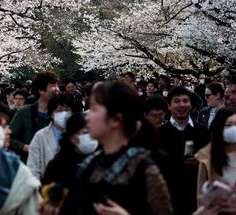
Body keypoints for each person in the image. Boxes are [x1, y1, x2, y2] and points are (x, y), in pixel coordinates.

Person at [64, 81, 171, 215]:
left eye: (95, 109)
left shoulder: (144, 168)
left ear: (115, 120)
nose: (87, 116)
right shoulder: (90, 164)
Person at [157, 86, 210, 215]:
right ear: (169, 106)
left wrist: (199, 160)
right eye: (177, 101)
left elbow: (211, 159)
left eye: (185, 101)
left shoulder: (202, 132)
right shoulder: (159, 134)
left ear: (191, 104)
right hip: (168, 198)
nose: (182, 105)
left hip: (196, 196)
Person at [40, 113, 96, 215]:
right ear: (72, 137)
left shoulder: (100, 161)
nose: (91, 137)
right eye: (85, 133)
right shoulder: (57, 165)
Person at [195, 108, 236, 204]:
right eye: (228, 125)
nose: (234, 129)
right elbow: (200, 195)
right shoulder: (207, 157)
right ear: (219, 127)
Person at [9, 71, 59, 162]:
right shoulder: (24, 112)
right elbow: (9, 137)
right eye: (53, 86)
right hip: (30, 164)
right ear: (41, 90)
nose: (57, 89)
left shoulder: (60, 112)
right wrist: (24, 147)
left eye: (57, 85)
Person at [27, 94, 72, 179]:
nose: (64, 114)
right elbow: (33, 167)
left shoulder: (79, 133)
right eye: (59, 111)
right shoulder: (40, 136)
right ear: (51, 114)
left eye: (67, 110)